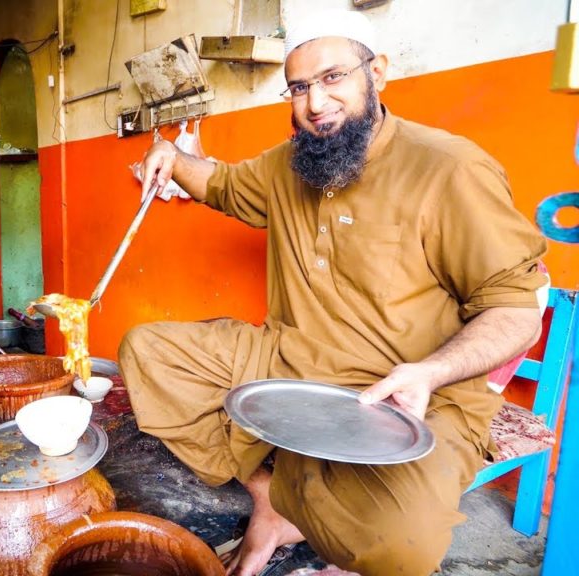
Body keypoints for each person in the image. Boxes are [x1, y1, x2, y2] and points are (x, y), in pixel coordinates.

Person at [124, 10, 548, 576]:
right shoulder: (289, 164)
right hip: (292, 357)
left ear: (378, 73)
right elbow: (221, 185)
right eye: (298, 87)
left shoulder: (450, 169)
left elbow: (515, 309)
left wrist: (430, 373)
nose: (314, 103)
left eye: (332, 78)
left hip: (408, 385)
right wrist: (174, 160)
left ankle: (308, 514)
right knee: (149, 354)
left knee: (402, 544)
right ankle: (271, 499)